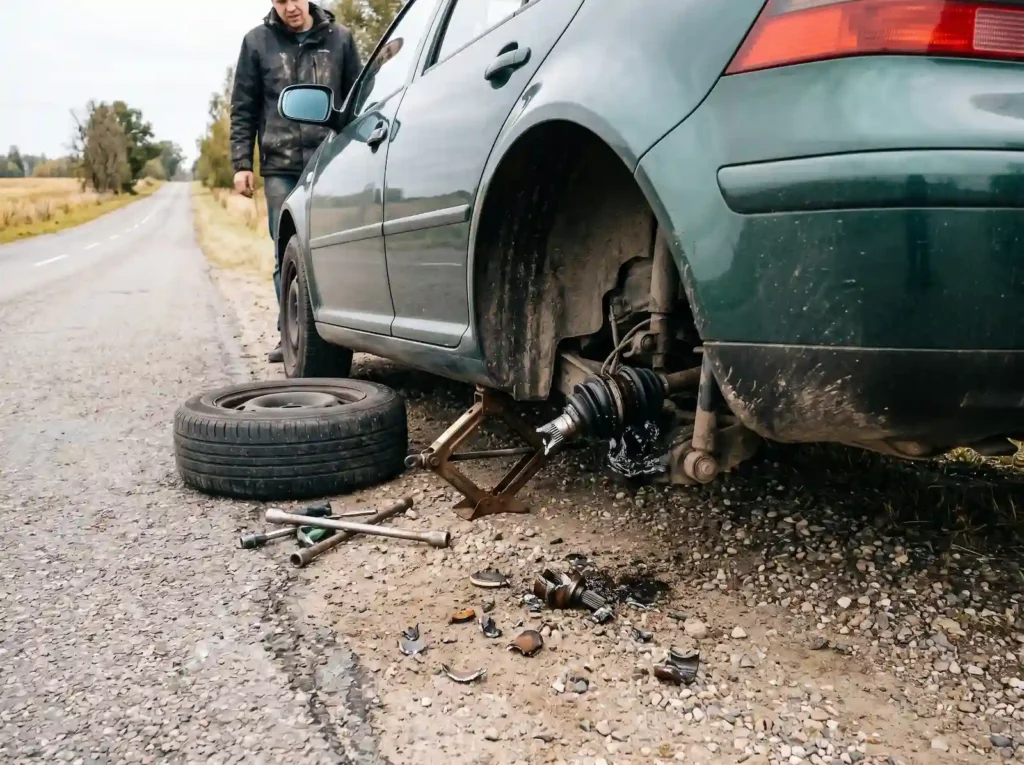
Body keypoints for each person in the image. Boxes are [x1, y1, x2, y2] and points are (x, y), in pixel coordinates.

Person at [230, 0, 362, 364]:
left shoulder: (340, 39)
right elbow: (244, 105)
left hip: (330, 160)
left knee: (334, 245)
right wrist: (242, 163)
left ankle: (341, 330)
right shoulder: (257, 42)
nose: (289, 6)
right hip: (281, 165)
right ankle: (293, 335)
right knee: (286, 249)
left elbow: (358, 98)